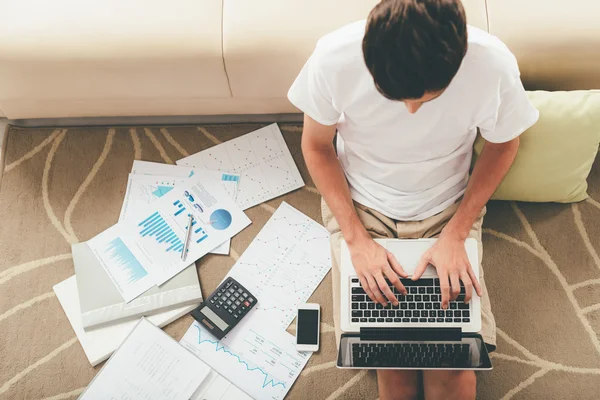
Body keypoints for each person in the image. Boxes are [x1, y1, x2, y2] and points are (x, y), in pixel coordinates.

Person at [287, 0, 539, 399]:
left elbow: (504, 146)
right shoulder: (333, 58)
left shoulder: (493, 65)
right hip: (361, 209)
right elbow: (317, 148)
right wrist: (356, 241)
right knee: (394, 363)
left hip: (447, 210)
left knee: (453, 368)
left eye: (427, 98)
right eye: (396, 96)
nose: (411, 109)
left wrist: (456, 234)